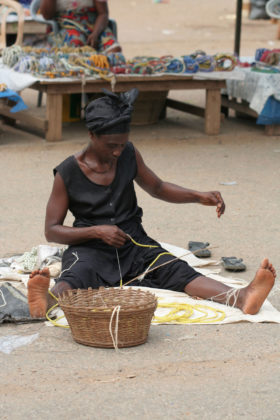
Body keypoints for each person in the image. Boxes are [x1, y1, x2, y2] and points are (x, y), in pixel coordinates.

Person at [28, 88, 276, 319]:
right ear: (92, 135)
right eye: (111, 145)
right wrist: (96, 231)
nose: (117, 152)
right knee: (79, 273)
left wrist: (198, 196)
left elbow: (157, 187)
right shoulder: (67, 172)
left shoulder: (128, 153)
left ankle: (241, 297)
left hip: (133, 242)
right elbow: (52, 230)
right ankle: (48, 301)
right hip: (89, 247)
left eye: (122, 144)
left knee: (173, 268)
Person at [40, 0, 121, 51]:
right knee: (76, 47)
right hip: (66, 26)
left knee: (114, 49)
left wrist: (95, 34)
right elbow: (47, 15)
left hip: (93, 26)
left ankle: (105, 74)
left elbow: (103, 14)